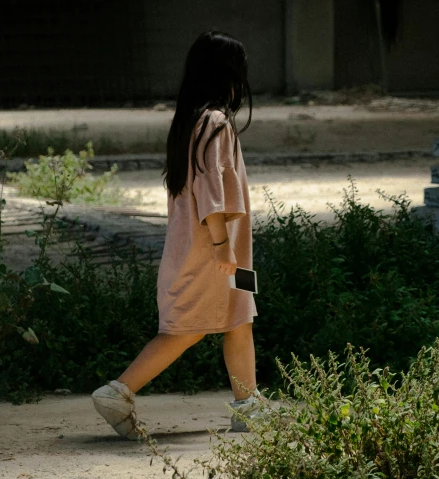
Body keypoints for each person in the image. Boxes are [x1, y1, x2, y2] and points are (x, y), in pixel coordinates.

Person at [91, 31, 259, 439]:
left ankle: (250, 407)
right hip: (216, 253)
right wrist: (222, 247)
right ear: (227, 74)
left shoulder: (192, 120)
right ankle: (118, 391)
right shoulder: (215, 122)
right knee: (185, 329)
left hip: (216, 251)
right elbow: (212, 192)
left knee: (241, 317)